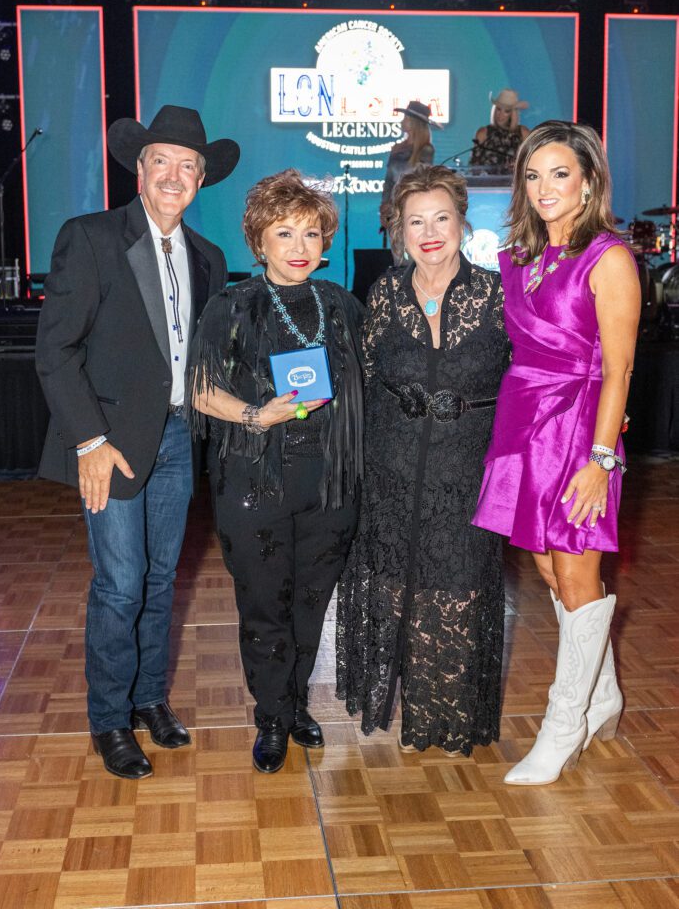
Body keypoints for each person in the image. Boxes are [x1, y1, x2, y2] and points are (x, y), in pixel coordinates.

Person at [35, 105, 239, 779]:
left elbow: (200, 362)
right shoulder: (90, 237)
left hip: (180, 438)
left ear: (202, 178)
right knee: (120, 585)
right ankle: (110, 720)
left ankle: (149, 697)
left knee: (158, 581)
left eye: (188, 165)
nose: (173, 174)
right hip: (112, 444)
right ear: (140, 169)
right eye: (161, 161)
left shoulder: (209, 258)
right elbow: (56, 350)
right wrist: (89, 441)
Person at [473, 120, 641, 785]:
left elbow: (621, 369)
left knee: (576, 575)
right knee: (547, 571)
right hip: (520, 423)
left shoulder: (609, 259)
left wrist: (601, 461)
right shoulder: (516, 258)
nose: (543, 187)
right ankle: (602, 697)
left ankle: (562, 723)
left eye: (559, 173)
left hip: (577, 427)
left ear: (587, 182)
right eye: (533, 175)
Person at [187, 169, 364, 774]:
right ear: (257, 240)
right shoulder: (231, 305)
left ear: (325, 241)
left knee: (312, 604)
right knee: (265, 605)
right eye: (283, 233)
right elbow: (201, 389)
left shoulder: (341, 305)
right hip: (254, 483)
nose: (298, 247)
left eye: (311, 234)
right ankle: (269, 717)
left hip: (330, 484)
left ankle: (293, 706)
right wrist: (257, 415)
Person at [337, 163, 510, 756]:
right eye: (416, 221)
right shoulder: (385, 291)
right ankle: (399, 702)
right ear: (399, 230)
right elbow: (362, 375)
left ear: (463, 222)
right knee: (394, 583)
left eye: (441, 217)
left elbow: (527, 378)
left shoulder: (496, 292)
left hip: (467, 467)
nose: (430, 231)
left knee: (457, 583)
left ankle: (447, 711)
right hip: (392, 463)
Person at [379, 100, 440, 237]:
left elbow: (420, 181)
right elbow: (389, 180)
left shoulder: (425, 150)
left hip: (414, 209)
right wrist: (384, 205)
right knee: (397, 251)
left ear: (414, 123)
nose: (403, 121)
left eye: (406, 118)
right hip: (393, 210)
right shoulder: (397, 148)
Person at [470, 89, 529, 172]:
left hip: (514, 183)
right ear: (494, 109)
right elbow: (474, 167)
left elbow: (532, 163)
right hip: (486, 184)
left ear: (513, 114)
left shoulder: (523, 133)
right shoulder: (483, 133)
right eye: (498, 109)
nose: (500, 114)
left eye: (506, 111)